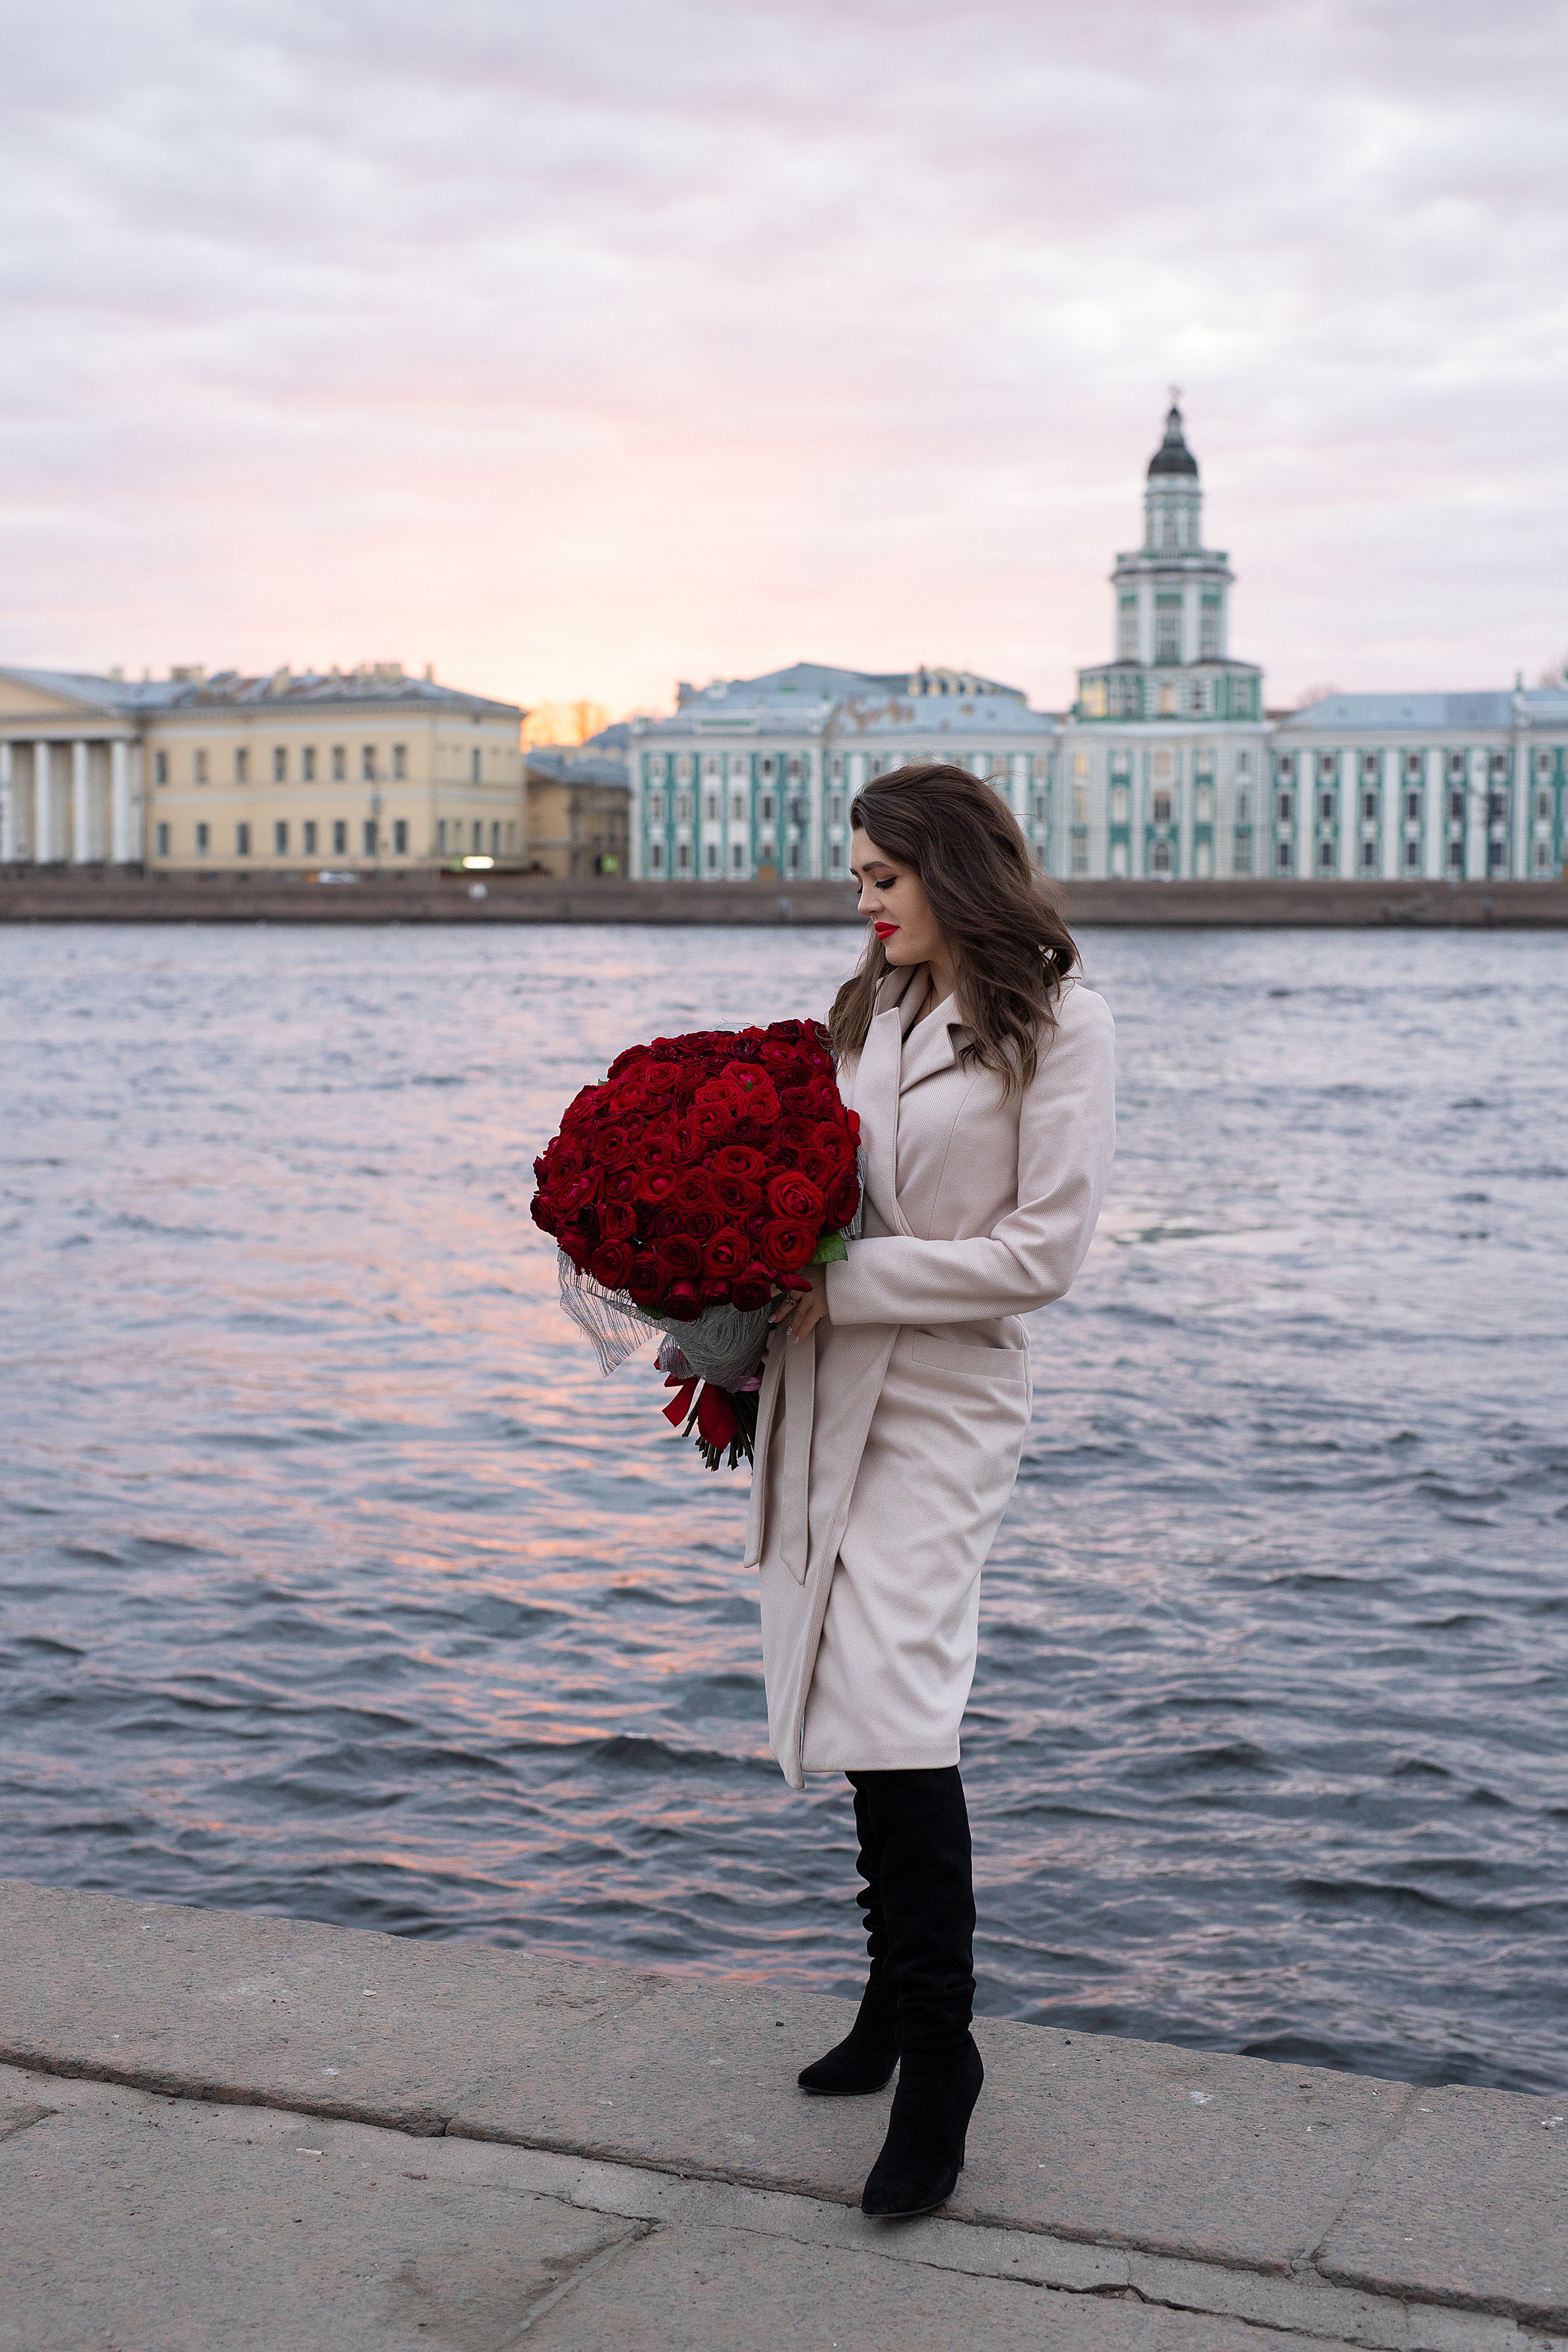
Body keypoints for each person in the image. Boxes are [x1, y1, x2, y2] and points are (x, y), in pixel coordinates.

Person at [743, 761, 1116, 2219]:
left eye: (881, 880)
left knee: (899, 1695)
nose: (861, 904)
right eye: (854, 881)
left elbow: (1043, 1255)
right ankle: (891, 2004)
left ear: (950, 871)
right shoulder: (867, 1013)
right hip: (827, 1388)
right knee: (848, 1685)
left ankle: (943, 2057)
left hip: (947, 1394)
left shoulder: (1061, 1025)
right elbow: (814, 1190)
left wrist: (842, 1281)